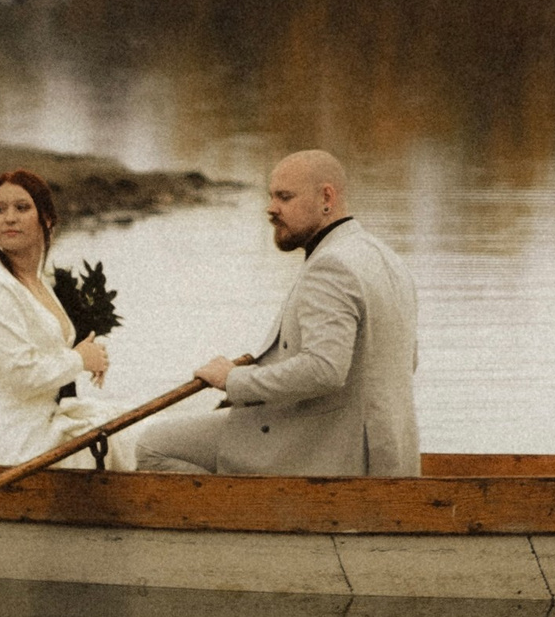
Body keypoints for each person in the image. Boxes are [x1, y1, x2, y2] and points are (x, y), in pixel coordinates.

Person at [136, 148, 419, 476]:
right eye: (272, 196)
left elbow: (324, 369)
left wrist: (234, 380)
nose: (271, 209)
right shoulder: (387, 258)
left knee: (152, 445)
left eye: (285, 197)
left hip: (329, 453)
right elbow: (407, 362)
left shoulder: (332, 265)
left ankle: (246, 517)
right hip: (388, 455)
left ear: (326, 197)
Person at [0, 169, 116, 467]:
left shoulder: (38, 282)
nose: (9, 218)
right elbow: (21, 376)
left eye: (22, 208)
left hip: (45, 419)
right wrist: (79, 360)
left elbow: (49, 354)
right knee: (123, 442)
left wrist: (92, 354)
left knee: (136, 425)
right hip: (15, 438)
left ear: (46, 219)